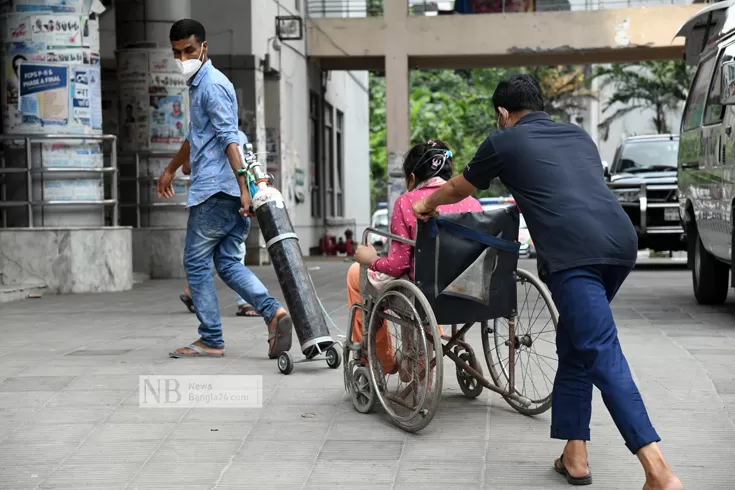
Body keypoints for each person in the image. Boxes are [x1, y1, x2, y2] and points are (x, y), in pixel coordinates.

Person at [411, 74, 681, 490]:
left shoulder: (503, 141)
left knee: (600, 350)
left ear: (504, 114)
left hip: (575, 255)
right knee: (575, 342)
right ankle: (574, 455)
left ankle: (657, 469)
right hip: (619, 244)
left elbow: (454, 188)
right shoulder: (578, 136)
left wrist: (425, 204)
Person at [158, 19, 292, 359]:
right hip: (227, 191)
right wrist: (172, 168)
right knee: (228, 263)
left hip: (216, 192)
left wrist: (242, 187)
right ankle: (273, 313)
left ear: (204, 47)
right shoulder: (202, 84)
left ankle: (211, 338)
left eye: (189, 50)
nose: (183, 58)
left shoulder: (211, 85)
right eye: (177, 52)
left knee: (196, 263)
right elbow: (197, 136)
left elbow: (228, 138)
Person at [349, 139, 482, 376]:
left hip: (424, 294)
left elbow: (398, 264)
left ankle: (383, 359)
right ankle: (432, 335)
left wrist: (371, 259)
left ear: (412, 178)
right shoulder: (473, 203)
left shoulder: (407, 203)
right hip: (469, 292)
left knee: (355, 274)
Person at [178, 118, 262, 318]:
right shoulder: (239, 136)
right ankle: (256, 305)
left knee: (205, 257)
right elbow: (247, 167)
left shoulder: (200, 133)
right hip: (232, 200)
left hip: (208, 199)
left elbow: (186, 167)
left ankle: (210, 322)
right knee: (229, 256)